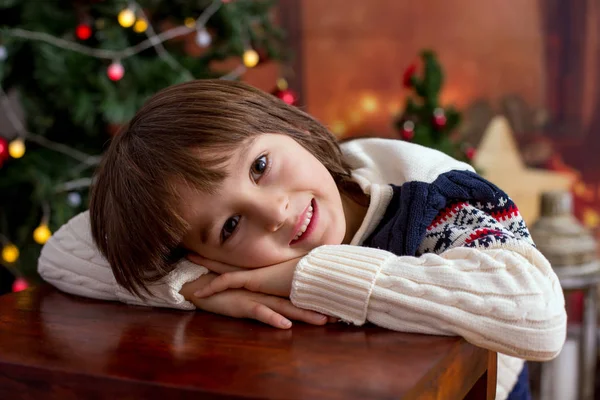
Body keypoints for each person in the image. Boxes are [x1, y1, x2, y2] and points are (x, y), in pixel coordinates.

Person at [38, 79, 566, 400]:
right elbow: (62, 252)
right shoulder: (210, 269)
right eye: (229, 227)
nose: (273, 212)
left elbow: (537, 315)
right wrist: (193, 283)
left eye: (260, 166)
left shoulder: (431, 195)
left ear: (283, 125)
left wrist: (312, 274)